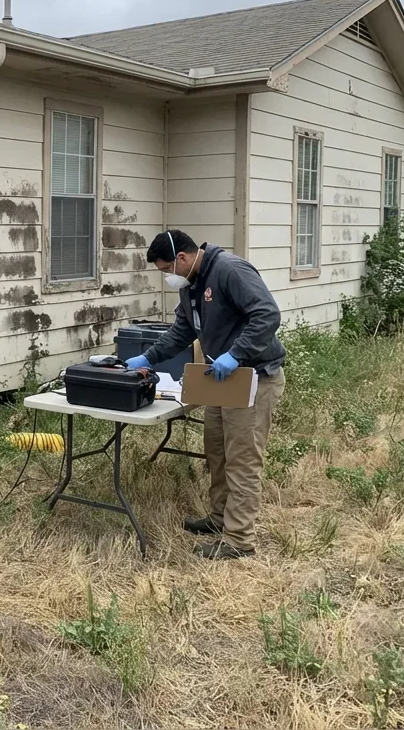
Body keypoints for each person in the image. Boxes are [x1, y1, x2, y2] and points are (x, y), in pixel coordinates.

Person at [126, 230, 286, 560]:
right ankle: (219, 519)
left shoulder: (229, 270)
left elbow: (267, 314)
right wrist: (147, 358)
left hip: (253, 377)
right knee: (217, 452)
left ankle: (239, 540)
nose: (168, 277)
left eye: (166, 270)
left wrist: (236, 354)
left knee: (242, 460)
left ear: (182, 258)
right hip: (219, 379)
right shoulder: (191, 286)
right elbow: (181, 332)